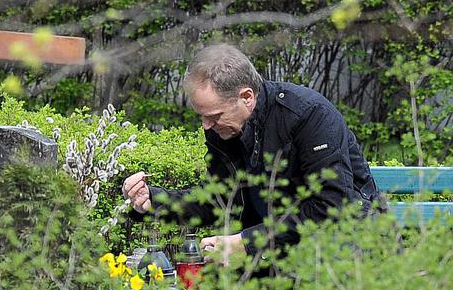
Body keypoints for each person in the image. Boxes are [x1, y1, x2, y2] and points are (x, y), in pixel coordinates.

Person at [123, 43, 383, 263]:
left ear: (246, 96)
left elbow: (329, 208)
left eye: (213, 116)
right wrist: (154, 200)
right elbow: (218, 199)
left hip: (348, 250)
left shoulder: (310, 115)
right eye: (202, 117)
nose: (206, 126)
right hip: (278, 253)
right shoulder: (225, 128)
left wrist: (246, 242)